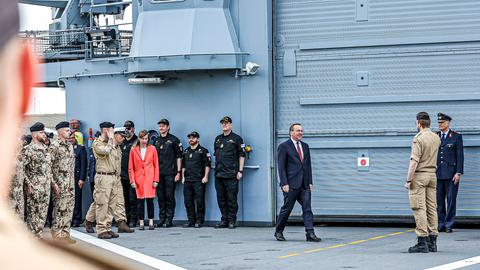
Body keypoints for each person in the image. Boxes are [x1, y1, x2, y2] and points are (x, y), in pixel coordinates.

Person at [0, 2, 134, 267]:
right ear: (27, 73)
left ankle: (61, 233)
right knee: (35, 216)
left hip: (59, 185)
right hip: (35, 189)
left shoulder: (65, 147)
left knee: (59, 211)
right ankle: (44, 235)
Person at [85, 123, 133, 239]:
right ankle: (100, 229)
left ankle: (107, 227)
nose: (123, 138)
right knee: (102, 203)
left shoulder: (116, 147)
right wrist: (111, 138)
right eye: (120, 135)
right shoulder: (97, 143)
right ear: (107, 131)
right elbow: (105, 151)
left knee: (112, 204)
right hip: (104, 177)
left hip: (114, 177)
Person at [274, 123, 320, 242]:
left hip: (304, 184)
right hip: (291, 184)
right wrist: (284, 183)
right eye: (298, 130)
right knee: (287, 209)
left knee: (307, 208)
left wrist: (310, 181)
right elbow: (281, 167)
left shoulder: (305, 146)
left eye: (301, 130)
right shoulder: (284, 146)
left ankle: (310, 233)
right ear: (291, 132)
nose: (300, 133)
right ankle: (278, 231)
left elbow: (308, 165)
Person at [405, 112, 441, 253]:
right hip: (432, 175)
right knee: (432, 208)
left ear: (418, 123)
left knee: (419, 208)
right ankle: (433, 242)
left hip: (419, 176)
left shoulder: (418, 138)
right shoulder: (435, 137)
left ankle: (422, 242)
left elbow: (414, 162)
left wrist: (408, 179)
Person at [21, 122, 55, 239]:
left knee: (42, 213)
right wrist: (28, 184)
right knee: (33, 213)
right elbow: (21, 169)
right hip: (34, 187)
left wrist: (53, 183)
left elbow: (48, 168)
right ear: (35, 135)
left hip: (45, 187)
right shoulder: (28, 150)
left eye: (43, 132)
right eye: (41, 132)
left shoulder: (46, 149)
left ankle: (38, 236)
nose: (44, 134)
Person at [214, 116, 245, 229]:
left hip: (231, 174)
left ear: (231, 125)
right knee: (221, 199)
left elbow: (242, 155)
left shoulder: (237, 139)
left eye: (226, 123)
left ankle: (232, 220)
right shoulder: (218, 139)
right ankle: (224, 220)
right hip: (219, 174)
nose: (224, 125)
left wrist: (240, 171)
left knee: (231, 199)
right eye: (222, 123)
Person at [436, 113, 464, 233]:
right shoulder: (435, 136)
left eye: (442, 123)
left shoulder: (456, 136)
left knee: (451, 200)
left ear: (448, 123)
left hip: (451, 174)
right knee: (439, 201)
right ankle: (440, 223)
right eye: (438, 123)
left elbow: (460, 156)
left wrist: (458, 172)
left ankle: (449, 224)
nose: (440, 125)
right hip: (438, 173)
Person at [49, 121, 76, 244]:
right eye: (66, 130)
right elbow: (48, 166)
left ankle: (65, 233)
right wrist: (53, 183)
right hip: (60, 184)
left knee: (69, 208)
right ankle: (57, 234)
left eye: (69, 130)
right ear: (60, 132)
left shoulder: (69, 146)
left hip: (70, 184)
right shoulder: (54, 146)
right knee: (59, 209)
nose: (69, 132)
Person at [153, 118, 183, 228]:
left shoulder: (174, 140)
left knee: (169, 196)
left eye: (163, 126)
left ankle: (169, 219)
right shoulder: (156, 141)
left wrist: (178, 172)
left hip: (171, 173)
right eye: (160, 126)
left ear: (168, 127)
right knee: (160, 197)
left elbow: (179, 157)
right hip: (158, 174)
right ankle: (162, 218)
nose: (161, 128)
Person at [129, 130, 159, 230]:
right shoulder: (134, 149)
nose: (144, 140)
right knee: (140, 202)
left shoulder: (152, 149)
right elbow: (131, 167)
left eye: (146, 139)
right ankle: (141, 222)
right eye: (142, 138)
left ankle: (151, 222)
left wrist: (156, 179)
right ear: (139, 138)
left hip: (150, 179)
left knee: (150, 201)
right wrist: (132, 180)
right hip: (138, 179)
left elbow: (156, 166)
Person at [182, 131, 211, 228]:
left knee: (199, 201)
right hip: (187, 180)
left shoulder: (203, 151)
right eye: (189, 138)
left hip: (199, 180)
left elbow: (207, 165)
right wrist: (183, 177)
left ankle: (199, 220)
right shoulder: (186, 151)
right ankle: (191, 220)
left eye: (193, 137)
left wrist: (205, 176)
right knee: (188, 201)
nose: (191, 139)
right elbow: (183, 166)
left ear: (198, 139)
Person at [120, 120, 138, 227]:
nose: (127, 130)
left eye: (129, 128)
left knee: (133, 199)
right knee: (124, 199)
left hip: (133, 176)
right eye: (126, 128)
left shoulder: (137, 142)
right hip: (122, 175)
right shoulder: (122, 142)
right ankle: (125, 219)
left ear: (133, 129)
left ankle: (133, 220)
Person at [71, 134, 87, 227]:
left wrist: (82, 178)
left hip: (77, 178)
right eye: (69, 138)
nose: (71, 140)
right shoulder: (65, 149)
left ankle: (77, 219)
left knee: (77, 199)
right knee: (68, 199)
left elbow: (83, 165)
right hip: (66, 178)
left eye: (72, 138)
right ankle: (70, 219)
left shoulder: (80, 149)